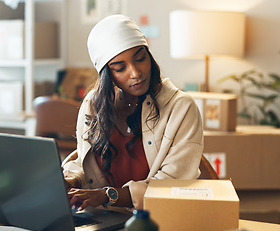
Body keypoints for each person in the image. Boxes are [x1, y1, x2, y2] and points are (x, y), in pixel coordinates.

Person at [62, 15, 204, 211]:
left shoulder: (181, 108)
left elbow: (173, 184)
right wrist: (73, 181)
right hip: (103, 219)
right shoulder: (93, 104)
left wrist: (107, 195)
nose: (135, 73)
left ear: (149, 57)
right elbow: (86, 165)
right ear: (106, 75)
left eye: (140, 59)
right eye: (120, 68)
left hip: (157, 220)